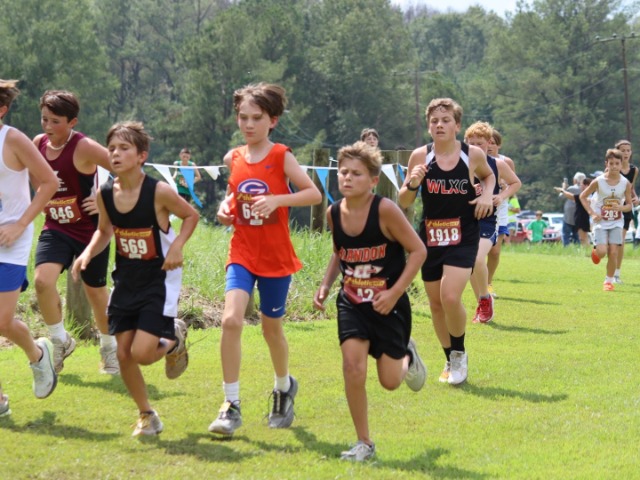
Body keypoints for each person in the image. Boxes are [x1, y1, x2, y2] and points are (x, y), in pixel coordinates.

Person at [209, 83, 322, 436]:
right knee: (231, 321)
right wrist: (224, 209)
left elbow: (314, 194)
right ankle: (230, 405)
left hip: (275, 257)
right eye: (243, 117)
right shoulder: (232, 158)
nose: (248, 124)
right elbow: (232, 197)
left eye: (256, 118)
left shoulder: (281, 156)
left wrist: (277, 200)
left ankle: (283, 387)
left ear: (272, 120)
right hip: (242, 252)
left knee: (272, 330)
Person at [72, 121, 199, 436]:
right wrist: (87, 254)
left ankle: (173, 339)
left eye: (124, 148)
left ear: (142, 155)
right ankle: (147, 415)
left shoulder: (159, 192)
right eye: (112, 148)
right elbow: (104, 231)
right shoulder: (105, 194)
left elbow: (191, 215)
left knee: (142, 354)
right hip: (126, 280)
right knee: (123, 353)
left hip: (159, 279)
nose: (115, 154)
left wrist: (177, 247)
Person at [313, 142, 427, 462]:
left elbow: (418, 251)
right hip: (351, 301)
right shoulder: (333, 212)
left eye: (357, 174)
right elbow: (339, 252)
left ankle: (407, 354)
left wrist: (394, 293)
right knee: (352, 367)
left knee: (390, 382)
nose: (348, 178)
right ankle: (364, 442)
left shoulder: (385, 211)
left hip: (388, 304)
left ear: (374, 180)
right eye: (343, 172)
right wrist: (325, 285)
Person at [398, 98, 495, 385]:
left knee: (450, 296)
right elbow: (404, 200)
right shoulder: (420, 156)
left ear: (457, 125)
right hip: (431, 237)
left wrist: (487, 195)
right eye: (434, 121)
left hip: (464, 235)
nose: (439, 125)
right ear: (428, 126)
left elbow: (489, 177)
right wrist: (413, 182)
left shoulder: (472, 154)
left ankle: (459, 354)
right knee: (436, 305)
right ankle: (449, 358)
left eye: (445, 120)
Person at [32, 90, 119, 375]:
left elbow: (126, 168)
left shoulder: (84, 147)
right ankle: (60, 341)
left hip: (89, 231)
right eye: (44, 119)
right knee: (42, 282)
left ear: (72, 122)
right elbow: (33, 176)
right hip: (55, 227)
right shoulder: (37, 144)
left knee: (95, 293)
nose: (47, 126)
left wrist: (105, 196)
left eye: (55, 121)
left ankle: (109, 349)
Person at [0, 79, 60, 414]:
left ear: (2, 109)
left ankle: (38, 355)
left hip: (11, 239)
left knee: (2, 321)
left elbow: (49, 182)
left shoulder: (13, 140)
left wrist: (20, 224)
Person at [465, 122, 521, 324]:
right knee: (470, 265)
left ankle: (484, 298)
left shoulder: (497, 164)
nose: (475, 147)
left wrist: (502, 196)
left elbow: (516, 182)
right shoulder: (460, 164)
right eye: (471, 143)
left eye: (479, 143)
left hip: (488, 220)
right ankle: (482, 303)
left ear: (489, 143)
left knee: (477, 258)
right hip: (465, 220)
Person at [580, 148, 632, 291]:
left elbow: (629, 205)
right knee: (603, 252)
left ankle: (608, 282)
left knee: (614, 252)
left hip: (617, 221)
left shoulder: (625, 183)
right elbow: (583, 196)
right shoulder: (599, 181)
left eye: (617, 163)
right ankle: (596, 251)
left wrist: (621, 208)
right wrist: (592, 213)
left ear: (621, 164)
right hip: (600, 221)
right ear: (606, 164)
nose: (614, 166)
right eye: (611, 163)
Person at [486, 129, 516, 298]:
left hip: (500, 212)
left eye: (493, 143)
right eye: (487, 142)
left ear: (499, 145)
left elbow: (514, 184)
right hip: (478, 210)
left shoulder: (506, 162)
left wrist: (503, 192)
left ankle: (488, 283)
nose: (489, 146)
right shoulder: (475, 160)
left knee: (495, 251)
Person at [613, 139, 638, 283]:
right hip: (612, 208)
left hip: (626, 208)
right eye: (623, 150)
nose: (626, 153)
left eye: (628, 150)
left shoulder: (634, 170)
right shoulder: (612, 168)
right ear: (617, 152)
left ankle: (616, 274)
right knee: (612, 243)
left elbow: (631, 188)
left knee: (620, 241)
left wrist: (636, 197)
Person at [554, 178, 592, 247]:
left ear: (586, 185)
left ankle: (588, 251)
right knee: (581, 238)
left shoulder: (585, 195)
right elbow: (572, 197)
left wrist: (562, 189)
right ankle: (586, 251)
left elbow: (571, 196)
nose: (580, 186)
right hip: (582, 219)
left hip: (583, 219)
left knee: (583, 238)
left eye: (582, 185)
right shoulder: (585, 195)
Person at [559, 172, 585, 246]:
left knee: (565, 234)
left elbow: (561, 196)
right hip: (579, 216)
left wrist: (564, 188)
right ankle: (578, 249)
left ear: (575, 180)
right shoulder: (585, 189)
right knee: (576, 236)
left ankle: (566, 248)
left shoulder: (572, 188)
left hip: (568, 216)